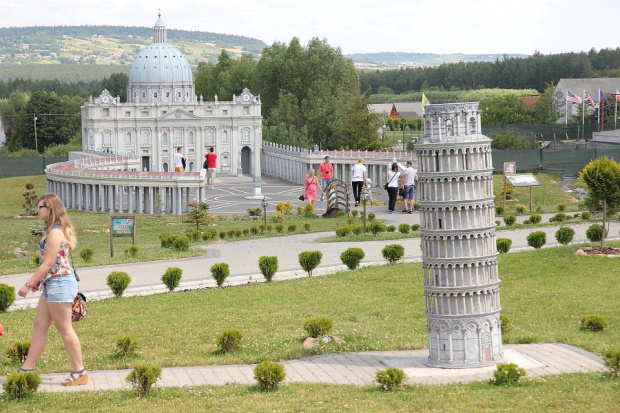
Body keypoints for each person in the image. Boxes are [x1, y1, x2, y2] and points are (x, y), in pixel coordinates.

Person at [17, 194, 88, 386]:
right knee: (40, 325)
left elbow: (48, 263)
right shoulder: (49, 230)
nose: (37, 210)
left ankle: (79, 370)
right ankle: (27, 368)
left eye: (41, 207)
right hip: (52, 284)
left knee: (64, 328)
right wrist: (38, 283)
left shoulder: (56, 232)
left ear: (50, 209)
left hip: (60, 283)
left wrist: (28, 283)